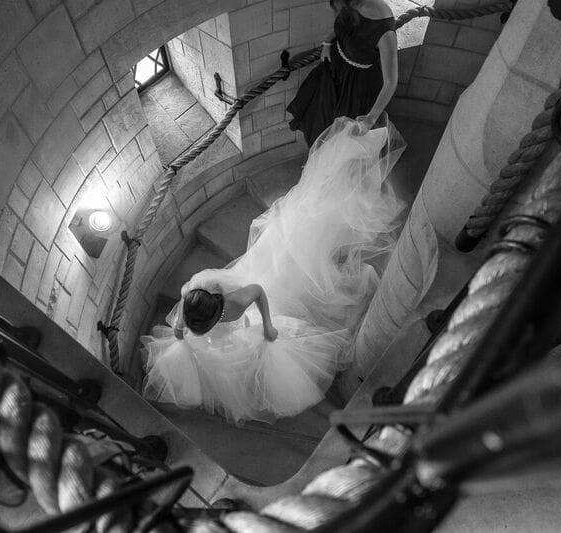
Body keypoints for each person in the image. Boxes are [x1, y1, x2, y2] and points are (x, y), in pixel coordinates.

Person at [142, 115, 407, 424]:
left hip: (260, 300)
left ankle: (350, 161)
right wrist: (182, 339)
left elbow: (260, 293)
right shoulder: (192, 299)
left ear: (217, 312)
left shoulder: (238, 300)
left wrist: (268, 327)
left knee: (302, 261)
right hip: (232, 330)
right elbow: (179, 329)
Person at [287, 0, 398, 146]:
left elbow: (391, 81)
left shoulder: (385, 31)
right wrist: (327, 42)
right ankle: (317, 156)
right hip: (334, 70)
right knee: (319, 117)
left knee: (339, 134)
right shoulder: (350, 4)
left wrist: (371, 118)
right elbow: (346, 26)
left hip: (355, 86)